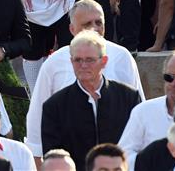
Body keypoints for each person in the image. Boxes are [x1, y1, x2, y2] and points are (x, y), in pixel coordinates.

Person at [25, 0, 144, 162]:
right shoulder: (55, 62)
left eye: (98, 22)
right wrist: (38, 158)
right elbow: (38, 113)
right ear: (72, 29)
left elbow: (139, 112)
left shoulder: (122, 57)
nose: (94, 29)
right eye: (87, 24)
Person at [41, 30, 141, 168]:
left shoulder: (129, 97)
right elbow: (54, 159)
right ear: (71, 61)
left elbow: (139, 144)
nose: (83, 65)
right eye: (78, 60)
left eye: (89, 59)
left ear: (104, 61)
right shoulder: (54, 106)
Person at [118, 50, 175, 168]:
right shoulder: (143, 111)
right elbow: (123, 156)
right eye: (168, 77)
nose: (173, 84)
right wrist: (151, 160)